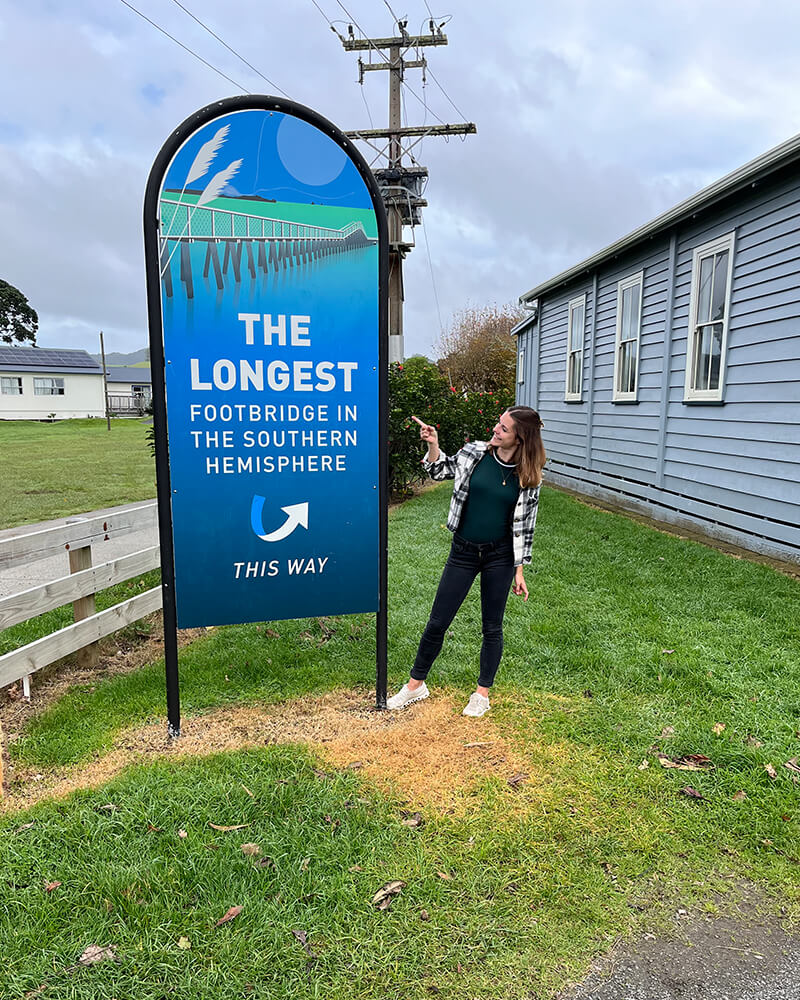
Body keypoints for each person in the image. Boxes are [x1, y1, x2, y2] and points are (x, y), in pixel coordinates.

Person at [388, 406, 546, 718]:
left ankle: (481, 694)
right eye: (498, 424)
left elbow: (526, 526)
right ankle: (415, 685)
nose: (495, 430)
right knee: (438, 621)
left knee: (492, 626)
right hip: (462, 551)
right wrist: (433, 445)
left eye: (503, 428)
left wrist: (519, 569)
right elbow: (439, 470)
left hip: (499, 556)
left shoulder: (529, 475)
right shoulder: (475, 453)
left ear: (520, 437)